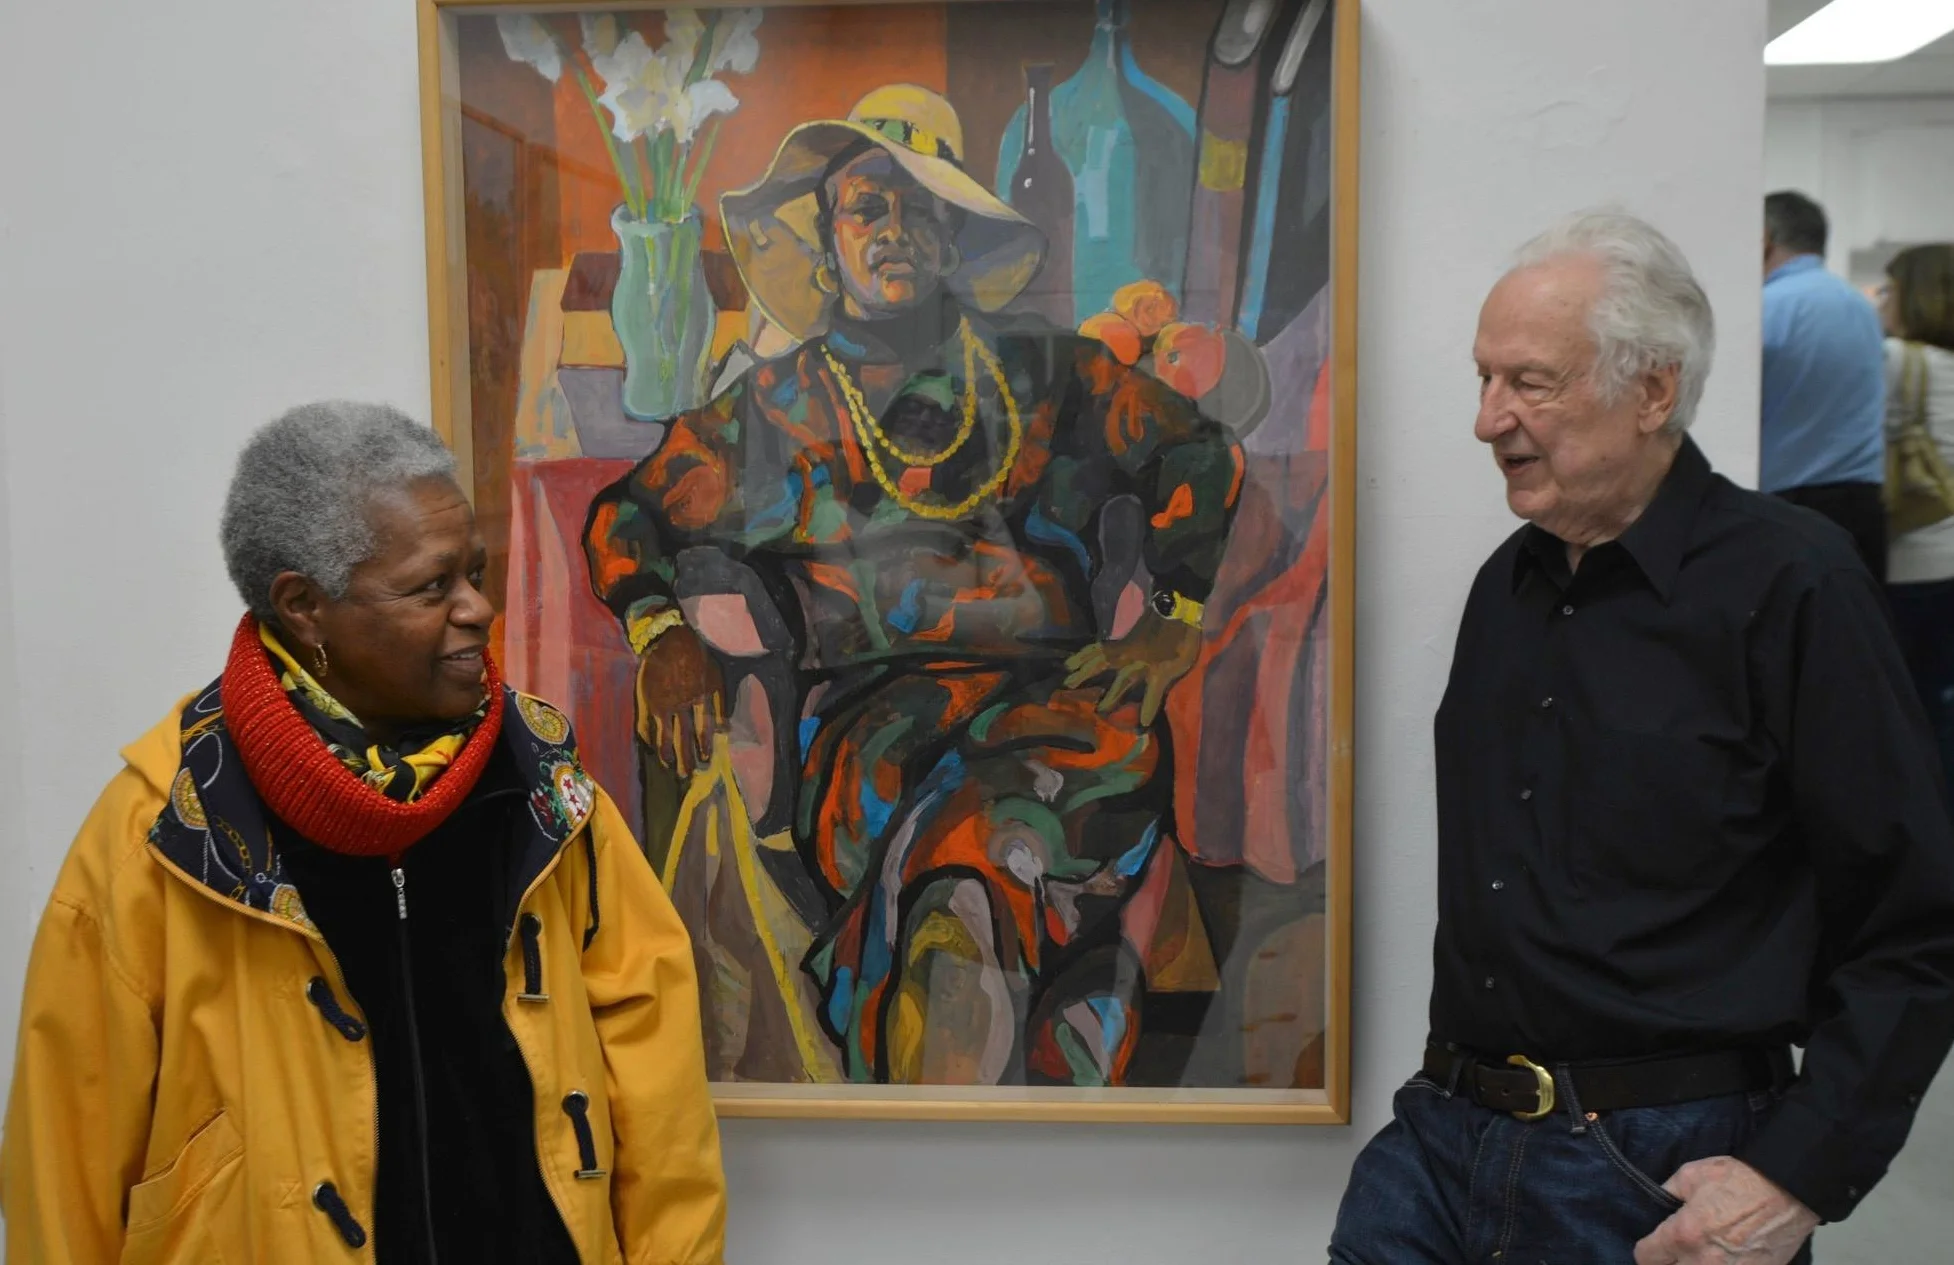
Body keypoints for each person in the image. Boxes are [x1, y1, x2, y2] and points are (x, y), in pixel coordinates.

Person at [585, 85, 1253, 1087]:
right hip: (873, 728)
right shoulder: (771, 410)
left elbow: (1200, 453)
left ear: (956, 237)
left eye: (919, 210)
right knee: (957, 905)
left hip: (1068, 705)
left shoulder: (1048, 369)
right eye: (866, 209)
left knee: (981, 874)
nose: (893, 232)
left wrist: (1174, 619)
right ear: (826, 240)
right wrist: (657, 633)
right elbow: (625, 516)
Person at [1330, 213, 1954, 1264]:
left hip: (1654, 1177)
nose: (1488, 419)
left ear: (1652, 390)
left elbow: (1915, 922)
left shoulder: (1793, 584)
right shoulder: (1510, 583)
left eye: (1529, 382)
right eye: (1483, 379)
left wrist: (1798, 1169)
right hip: (1437, 1150)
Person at [1, 403, 727, 1262]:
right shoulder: (162, 832)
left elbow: (662, 1104)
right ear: (305, 608)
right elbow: (65, 1166)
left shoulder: (546, 789)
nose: (479, 609)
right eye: (432, 586)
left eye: (476, 573)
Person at [1760, 190, 1889, 578]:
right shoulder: (1861, 307)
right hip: (1864, 502)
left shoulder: (1768, 307)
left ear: (1763, 239)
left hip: (1793, 506)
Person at [1881, 244, 1954, 792]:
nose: (1882, 300)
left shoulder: (1899, 359)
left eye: (1890, 289)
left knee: (1911, 709)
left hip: (1914, 558)